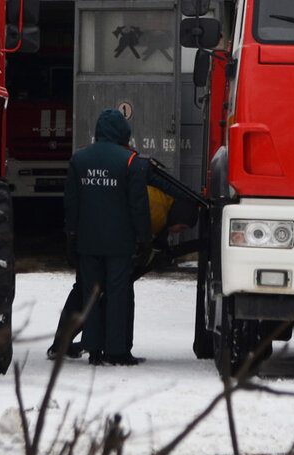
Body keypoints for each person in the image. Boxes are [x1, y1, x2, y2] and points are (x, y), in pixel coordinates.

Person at [51, 151, 200, 362]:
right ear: (178, 215)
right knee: (110, 293)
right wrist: (141, 250)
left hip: (93, 241)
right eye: (182, 227)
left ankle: (66, 345)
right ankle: (112, 350)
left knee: (85, 292)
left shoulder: (163, 200)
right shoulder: (157, 210)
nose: (179, 232)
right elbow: (138, 227)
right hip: (111, 247)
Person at [62, 109, 152, 366]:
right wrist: (144, 240)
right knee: (118, 294)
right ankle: (117, 350)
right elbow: (138, 206)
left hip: (87, 242)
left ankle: (93, 349)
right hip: (119, 243)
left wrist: (71, 236)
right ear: (123, 132)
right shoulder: (129, 161)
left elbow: (71, 203)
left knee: (91, 292)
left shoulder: (79, 159)